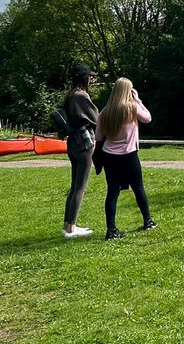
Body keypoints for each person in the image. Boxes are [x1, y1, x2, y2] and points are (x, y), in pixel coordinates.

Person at [98, 78, 156, 240]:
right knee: (138, 187)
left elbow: (98, 136)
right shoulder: (132, 107)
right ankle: (147, 221)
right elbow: (148, 118)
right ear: (128, 91)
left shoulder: (105, 111)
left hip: (109, 155)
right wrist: (138, 100)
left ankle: (111, 230)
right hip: (129, 155)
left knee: (112, 192)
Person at [62, 64, 99, 239]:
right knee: (80, 187)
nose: (92, 79)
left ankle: (68, 224)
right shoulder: (81, 96)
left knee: (74, 186)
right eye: (90, 76)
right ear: (84, 78)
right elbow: (95, 118)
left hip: (73, 143)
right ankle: (71, 229)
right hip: (84, 143)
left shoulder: (70, 95)